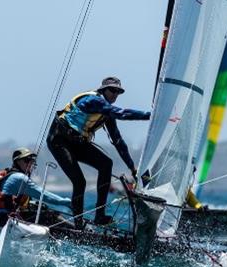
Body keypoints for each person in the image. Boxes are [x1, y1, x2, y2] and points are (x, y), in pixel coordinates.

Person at [47, 77, 150, 228]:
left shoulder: (106, 113)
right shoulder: (93, 100)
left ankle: (99, 216)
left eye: (118, 92)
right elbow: (122, 113)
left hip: (77, 143)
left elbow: (118, 142)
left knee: (106, 164)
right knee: (79, 181)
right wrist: (151, 116)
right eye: (112, 90)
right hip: (59, 140)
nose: (115, 94)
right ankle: (78, 224)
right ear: (103, 90)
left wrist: (132, 167)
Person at [0, 148, 72, 230]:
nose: (30, 163)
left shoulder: (8, 175)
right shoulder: (20, 178)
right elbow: (44, 196)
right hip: (8, 218)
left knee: (38, 210)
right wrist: (66, 202)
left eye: (32, 161)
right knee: (52, 216)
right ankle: (80, 236)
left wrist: (34, 203)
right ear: (18, 162)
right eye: (27, 160)